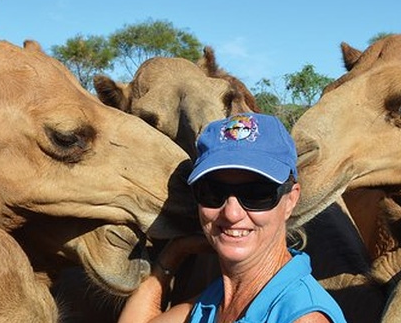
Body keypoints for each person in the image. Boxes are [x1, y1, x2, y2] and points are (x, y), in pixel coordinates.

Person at [119, 113, 346, 323]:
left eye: (257, 194)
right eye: (212, 192)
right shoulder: (216, 299)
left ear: (290, 200)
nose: (231, 213)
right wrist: (173, 254)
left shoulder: (299, 316)